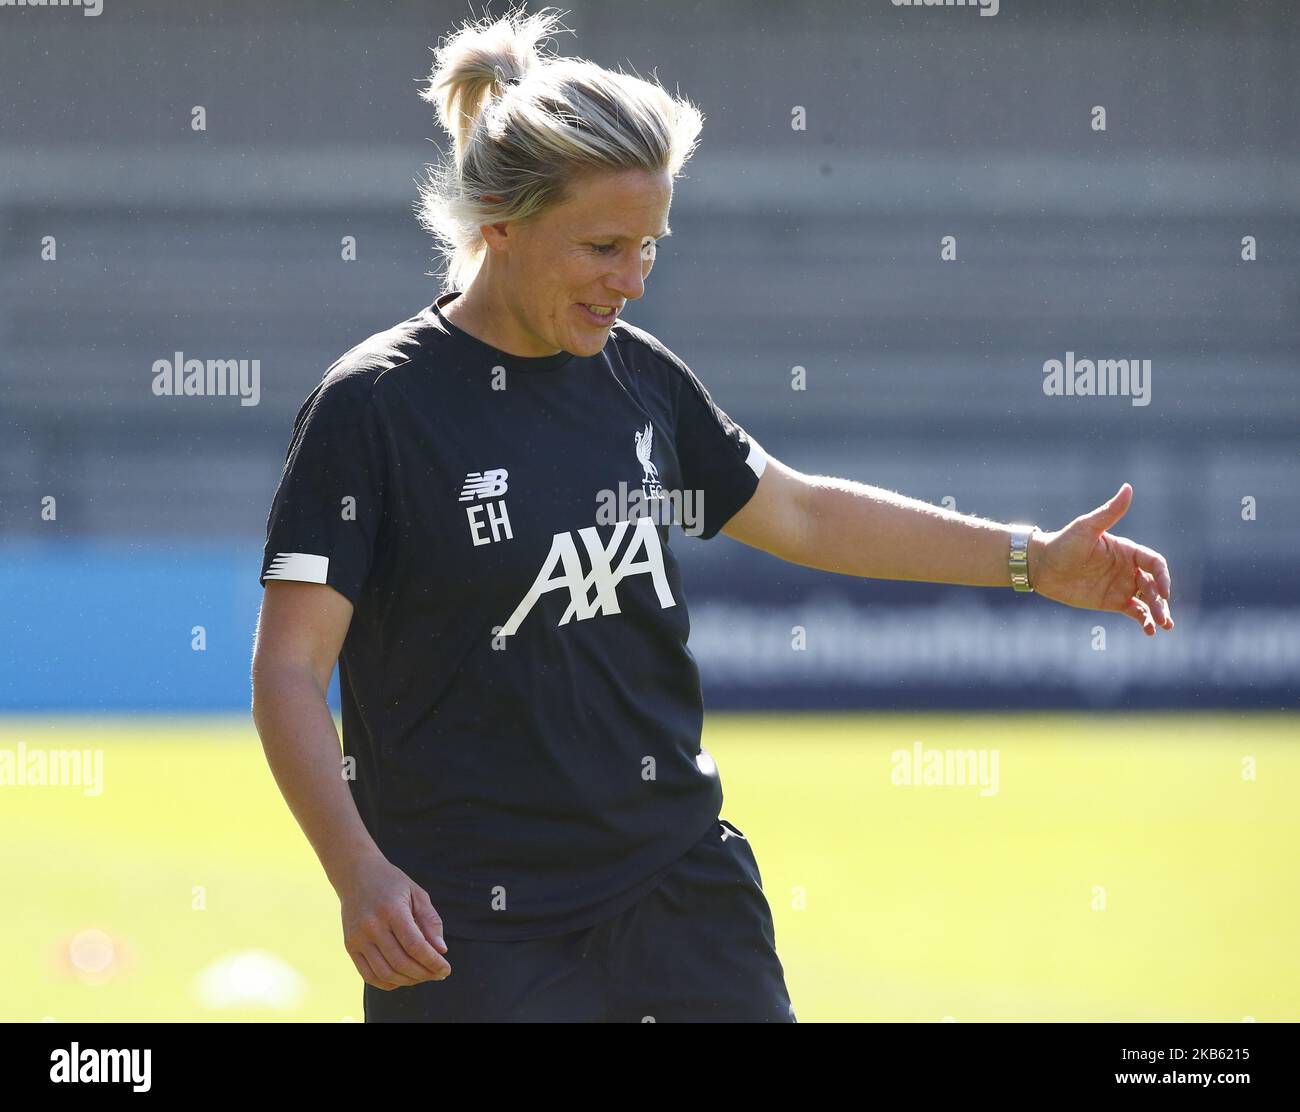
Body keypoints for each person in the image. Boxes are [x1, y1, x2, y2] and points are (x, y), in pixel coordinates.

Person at [249, 6, 1174, 1024]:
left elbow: (804, 514)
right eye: (603, 245)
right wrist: (357, 870)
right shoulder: (375, 405)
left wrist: (1028, 559)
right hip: (473, 924)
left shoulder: (637, 380)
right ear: (498, 226)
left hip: (680, 892)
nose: (633, 280)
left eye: (650, 245)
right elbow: (290, 668)